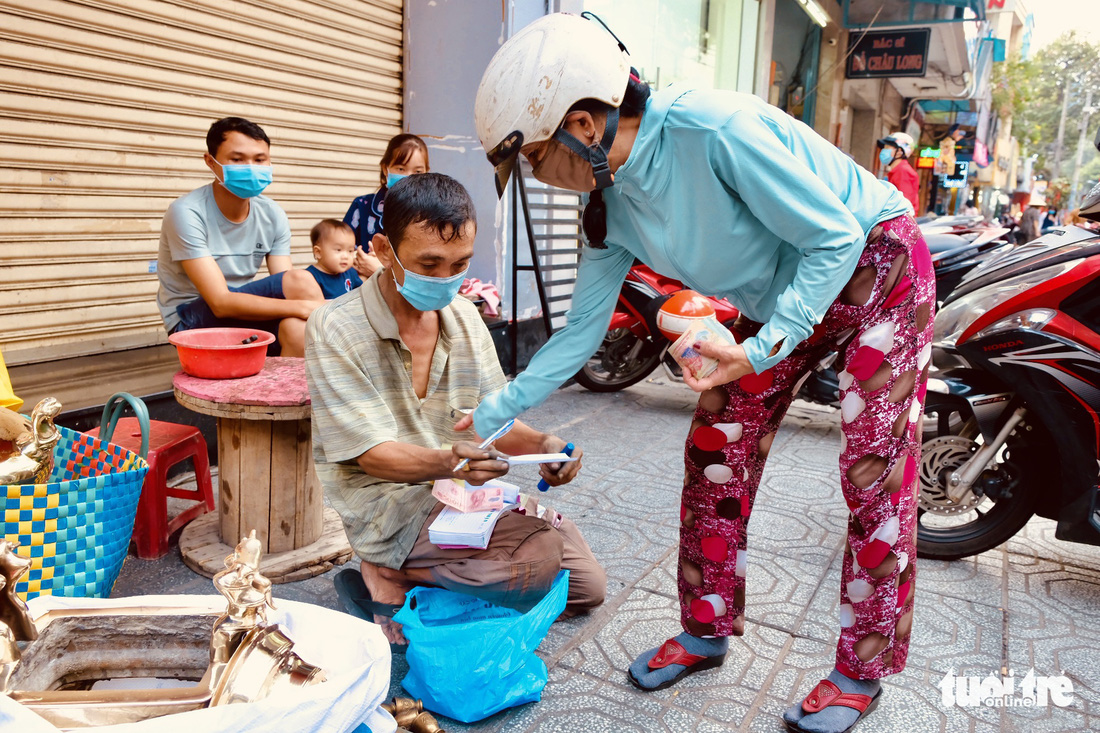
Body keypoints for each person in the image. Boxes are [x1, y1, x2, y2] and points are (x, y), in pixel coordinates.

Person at [470, 14, 935, 733]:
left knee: (873, 469)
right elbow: (575, 339)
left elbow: (835, 236)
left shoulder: (713, 130)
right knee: (716, 447)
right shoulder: (609, 208)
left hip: (879, 263)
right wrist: (490, 412)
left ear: (585, 124)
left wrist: (760, 347)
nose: (538, 177)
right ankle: (706, 626)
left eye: (535, 157)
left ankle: (860, 668)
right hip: (786, 294)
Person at [306, 173, 606, 647]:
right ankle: (385, 569)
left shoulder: (465, 316)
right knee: (532, 562)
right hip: (385, 502)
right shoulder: (334, 326)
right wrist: (453, 462)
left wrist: (544, 444)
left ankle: (424, 576)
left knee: (587, 587)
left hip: (456, 492)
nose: (447, 279)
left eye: (460, 264)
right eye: (430, 263)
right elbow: (370, 456)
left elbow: (491, 417)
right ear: (384, 250)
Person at [156, 117, 324, 357]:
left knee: (297, 328)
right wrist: (308, 307)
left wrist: (305, 311)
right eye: (237, 159)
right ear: (211, 162)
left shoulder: (272, 213)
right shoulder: (186, 212)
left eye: (259, 160)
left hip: (238, 310)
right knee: (302, 287)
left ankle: (286, 393)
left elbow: (285, 282)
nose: (250, 168)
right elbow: (220, 302)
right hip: (189, 320)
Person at [344, 133, 430, 278]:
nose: (408, 177)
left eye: (417, 172)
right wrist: (357, 259)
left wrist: (380, 269)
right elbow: (340, 251)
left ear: (427, 173)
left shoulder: (431, 214)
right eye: (401, 169)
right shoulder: (361, 206)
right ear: (385, 169)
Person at [306, 219, 363, 299]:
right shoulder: (310, 277)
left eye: (350, 251)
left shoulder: (350, 272)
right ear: (318, 252)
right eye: (338, 250)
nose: (346, 256)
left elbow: (361, 293)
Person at [876, 133, 919, 213]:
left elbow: (904, 205)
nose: (883, 151)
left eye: (887, 147)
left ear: (899, 152)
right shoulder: (896, 170)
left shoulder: (903, 171)